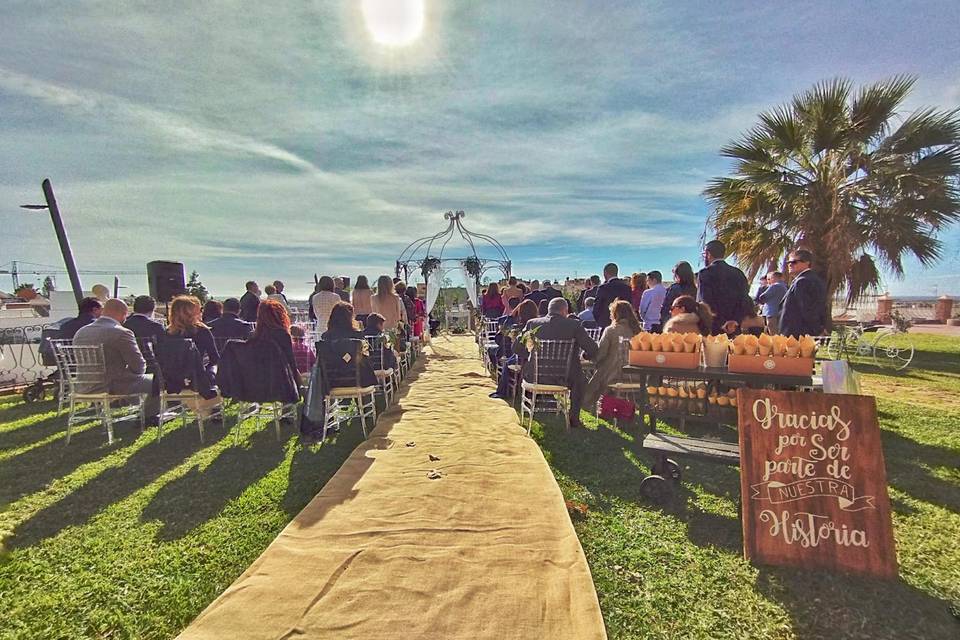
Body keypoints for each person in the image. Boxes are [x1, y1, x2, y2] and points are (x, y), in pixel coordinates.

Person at [515, 297, 598, 428]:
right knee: (581, 380)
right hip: (564, 378)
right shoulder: (574, 325)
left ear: (549, 310)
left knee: (578, 377)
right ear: (565, 311)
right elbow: (593, 349)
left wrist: (532, 355)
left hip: (536, 376)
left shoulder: (533, 323)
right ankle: (574, 417)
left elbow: (516, 347)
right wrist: (584, 355)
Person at [73, 298, 159, 422]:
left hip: (84, 385)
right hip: (112, 386)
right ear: (124, 313)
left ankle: (129, 405)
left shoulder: (81, 332)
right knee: (158, 382)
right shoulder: (121, 332)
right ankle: (148, 417)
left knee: (132, 379)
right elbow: (139, 366)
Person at [584, 300, 642, 409]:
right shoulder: (639, 332)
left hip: (614, 374)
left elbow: (601, 354)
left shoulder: (611, 330)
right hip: (635, 375)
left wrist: (589, 357)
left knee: (596, 379)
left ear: (615, 314)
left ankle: (589, 405)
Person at [696, 240, 751, 335]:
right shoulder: (738, 273)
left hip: (713, 326)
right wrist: (735, 320)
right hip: (734, 326)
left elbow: (705, 301)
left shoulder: (705, 273)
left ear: (708, 254)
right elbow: (744, 299)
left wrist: (722, 322)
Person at [489, 299, 540, 399]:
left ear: (520, 312)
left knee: (508, 362)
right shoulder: (539, 326)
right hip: (539, 360)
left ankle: (503, 391)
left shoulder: (516, 328)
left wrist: (511, 315)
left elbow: (501, 341)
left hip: (522, 360)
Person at [166, 296, 219, 387]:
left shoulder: (165, 334)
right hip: (197, 379)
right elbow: (214, 358)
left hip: (171, 381)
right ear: (191, 313)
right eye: (199, 310)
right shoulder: (202, 331)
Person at [320, 302, 376, 388]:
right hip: (357, 380)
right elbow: (367, 354)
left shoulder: (326, 337)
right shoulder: (357, 335)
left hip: (332, 380)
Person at [779, 249, 827, 338]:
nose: (790, 264)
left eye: (794, 262)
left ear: (807, 263)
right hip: (800, 333)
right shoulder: (808, 279)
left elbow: (808, 309)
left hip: (798, 334)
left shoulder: (803, 281)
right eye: (788, 262)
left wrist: (818, 329)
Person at [252, 298, 301, 384]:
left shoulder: (253, 336)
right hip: (280, 381)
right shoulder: (282, 335)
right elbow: (290, 362)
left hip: (257, 381)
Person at [593, 263, 633, 329]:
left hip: (606, 324)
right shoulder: (627, 288)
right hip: (624, 324)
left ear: (605, 273)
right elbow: (630, 305)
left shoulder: (603, 288)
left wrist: (601, 323)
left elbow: (597, 308)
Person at [660, 261, 698, 329]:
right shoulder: (695, 289)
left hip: (676, 323)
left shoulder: (674, 288)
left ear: (677, 274)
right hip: (692, 323)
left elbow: (666, 307)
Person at [759, 271, 788, 335]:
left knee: (773, 332)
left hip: (771, 312)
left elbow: (763, 297)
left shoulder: (775, 286)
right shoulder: (785, 287)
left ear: (774, 278)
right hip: (779, 311)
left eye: (770, 278)